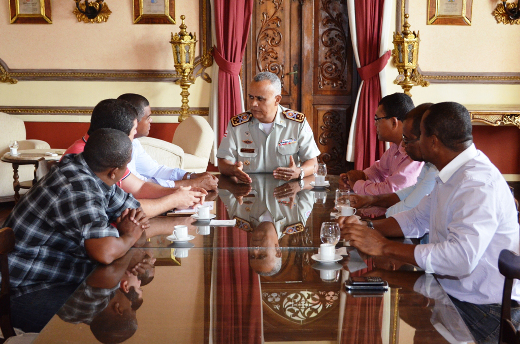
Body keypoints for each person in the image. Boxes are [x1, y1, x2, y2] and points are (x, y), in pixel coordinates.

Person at [339, 102, 520, 343]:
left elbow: (460, 259)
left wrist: (383, 247)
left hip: (482, 310)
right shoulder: (451, 172)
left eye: (419, 135)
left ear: (433, 141)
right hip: (452, 291)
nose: (408, 143)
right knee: (372, 282)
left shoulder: (477, 184)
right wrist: (365, 229)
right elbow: (416, 217)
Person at [4, 129, 148, 300]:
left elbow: (136, 212)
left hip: (54, 276)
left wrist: (130, 232)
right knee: (104, 299)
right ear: (114, 172)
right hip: (23, 287)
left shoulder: (91, 171)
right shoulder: (77, 187)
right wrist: (130, 236)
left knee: (106, 290)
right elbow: (105, 252)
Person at [64, 99, 206, 217]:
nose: (136, 134)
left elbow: (139, 187)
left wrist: (181, 193)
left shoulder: (108, 151)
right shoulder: (84, 158)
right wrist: (172, 200)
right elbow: (123, 210)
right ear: (118, 135)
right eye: (133, 131)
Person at [217, 71, 321, 184]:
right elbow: (223, 162)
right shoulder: (237, 125)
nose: (253, 104)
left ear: (277, 99)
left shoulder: (297, 123)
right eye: (251, 97)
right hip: (249, 193)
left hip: (286, 193)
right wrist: (234, 170)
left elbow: (313, 162)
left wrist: (299, 172)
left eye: (260, 99)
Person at [349, 103, 438, 217]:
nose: (404, 145)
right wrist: (369, 200)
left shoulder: (424, 164)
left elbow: (407, 210)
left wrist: (368, 224)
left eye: (407, 140)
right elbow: (408, 192)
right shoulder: (429, 166)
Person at [117, 93, 218, 191]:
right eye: (148, 117)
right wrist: (193, 184)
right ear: (133, 120)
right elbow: (141, 186)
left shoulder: (134, 142)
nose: (151, 120)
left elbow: (155, 170)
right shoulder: (118, 149)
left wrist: (190, 176)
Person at [340, 93, 423, 195]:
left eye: (377, 119)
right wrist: (358, 177)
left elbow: (391, 192)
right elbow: (378, 171)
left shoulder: (414, 152)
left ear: (393, 122)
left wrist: (357, 184)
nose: (375, 124)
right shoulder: (396, 147)